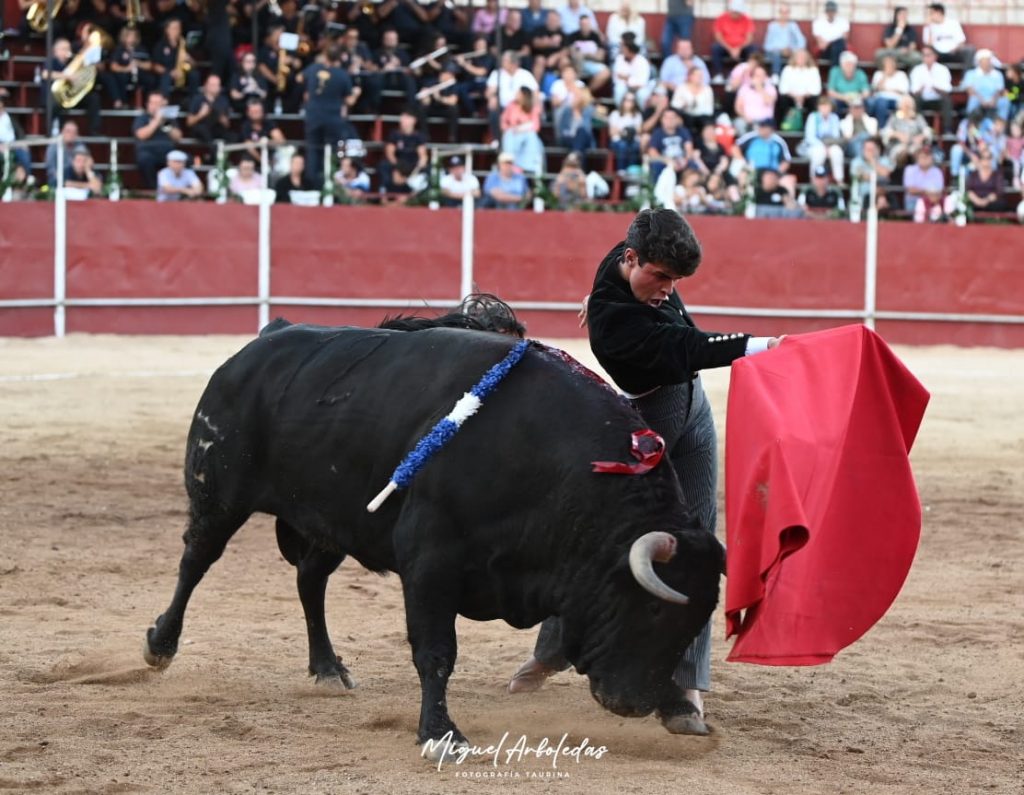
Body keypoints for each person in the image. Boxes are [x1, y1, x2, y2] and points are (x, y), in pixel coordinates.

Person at [506, 209, 783, 738]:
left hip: (692, 413)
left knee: (696, 544)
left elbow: (659, 299)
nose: (667, 290)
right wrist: (767, 346)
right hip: (645, 426)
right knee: (602, 539)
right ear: (632, 261)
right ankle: (553, 651)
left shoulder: (627, 257)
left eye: (675, 281)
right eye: (660, 278)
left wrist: (602, 293)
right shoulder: (618, 330)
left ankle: (686, 687)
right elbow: (690, 347)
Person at [300, 44, 359, 185]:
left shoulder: (313, 69)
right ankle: (334, 181)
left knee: (313, 150)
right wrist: (356, 93)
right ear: (339, 58)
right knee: (337, 149)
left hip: (313, 117)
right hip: (334, 119)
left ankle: (313, 183)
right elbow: (349, 100)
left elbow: (299, 78)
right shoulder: (342, 75)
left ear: (325, 56)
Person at [133, 91, 184, 189]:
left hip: (167, 151)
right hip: (147, 151)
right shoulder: (142, 118)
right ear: (148, 105)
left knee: (184, 159)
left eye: (158, 103)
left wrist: (166, 124)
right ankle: (153, 190)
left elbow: (178, 137)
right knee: (145, 160)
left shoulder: (169, 119)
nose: (156, 106)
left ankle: (179, 190)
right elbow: (141, 135)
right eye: (153, 103)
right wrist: (156, 121)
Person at [799, 95, 845, 184]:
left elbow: (836, 136)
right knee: (819, 153)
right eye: (823, 106)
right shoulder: (813, 117)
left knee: (837, 152)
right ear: (818, 107)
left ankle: (839, 179)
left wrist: (828, 146)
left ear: (831, 107)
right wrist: (823, 146)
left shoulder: (834, 118)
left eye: (827, 106)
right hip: (814, 145)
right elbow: (810, 137)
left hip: (830, 145)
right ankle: (814, 179)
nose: (825, 108)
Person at [501, 86, 545, 175]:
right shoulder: (511, 105)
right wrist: (510, 129)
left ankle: (531, 167)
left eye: (519, 93)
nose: (516, 95)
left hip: (527, 135)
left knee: (532, 137)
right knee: (508, 136)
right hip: (513, 135)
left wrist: (521, 129)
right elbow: (503, 122)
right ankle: (511, 164)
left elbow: (536, 126)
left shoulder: (533, 108)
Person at [909, 45, 953, 134]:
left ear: (935, 56)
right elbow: (914, 91)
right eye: (924, 55)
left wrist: (935, 88)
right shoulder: (917, 70)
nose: (926, 58)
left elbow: (947, 90)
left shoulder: (943, 69)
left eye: (929, 55)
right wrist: (921, 88)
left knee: (947, 100)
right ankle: (917, 130)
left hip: (937, 100)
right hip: (922, 100)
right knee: (914, 100)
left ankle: (947, 130)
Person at [710, 0, 757, 83]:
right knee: (715, 48)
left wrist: (739, 48)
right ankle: (718, 74)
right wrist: (730, 49)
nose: (735, 15)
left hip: (741, 48)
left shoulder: (747, 19)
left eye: (738, 13)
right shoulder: (721, 18)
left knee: (753, 49)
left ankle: (749, 75)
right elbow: (718, 37)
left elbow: (749, 38)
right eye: (734, 12)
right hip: (726, 47)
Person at [186, 74, 233, 157]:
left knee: (232, 136)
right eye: (212, 85)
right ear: (206, 85)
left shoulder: (223, 100)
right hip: (201, 128)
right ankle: (215, 154)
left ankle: (226, 157)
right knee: (202, 129)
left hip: (216, 127)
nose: (214, 87)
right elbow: (189, 122)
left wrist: (221, 117)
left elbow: (227, 125)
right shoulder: (197, 99)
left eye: (217, 85)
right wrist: (201, 114)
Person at [881, 93, 932, 167]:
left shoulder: (918, 118)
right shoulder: (894, 118)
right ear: (900, 106)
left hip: (915, 146)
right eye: (905, 104)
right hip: (897, 146)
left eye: (909, 104)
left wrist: (921, 137)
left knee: (918, 152)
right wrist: (897, 134)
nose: (907, 107)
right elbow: (886, 132)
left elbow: (927, 131)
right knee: (903, 153)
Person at [776, 48, 821, 129]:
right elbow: (783, 88)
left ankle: (810, 127)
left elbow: (816, 89)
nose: (801, 59)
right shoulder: (788, 69)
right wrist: (795, 96)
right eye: (799, 57)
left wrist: (803, 96)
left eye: (803, 57)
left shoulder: (813, 70)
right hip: (791, 97)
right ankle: (781, 126)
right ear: (794, 58)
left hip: (807, 98)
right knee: (781, 99)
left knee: (815, 101)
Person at [963, 50, 1011, 121]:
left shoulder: (998, 74)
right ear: (979, 62)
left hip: (994, 99)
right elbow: (970, 90)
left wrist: (993, 100)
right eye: (985, 60)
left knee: (1005, 101)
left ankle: (1000, 125)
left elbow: (999, 90)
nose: (988, 62)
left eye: (989, 60)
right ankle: (971, 123)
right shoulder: (971, 74)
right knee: (973, 100)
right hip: (978, 98)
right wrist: (982, 100)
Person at [763, 3, 806, 78]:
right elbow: (767, 46)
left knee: (799, 55)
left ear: (789, 13)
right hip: (775, 53)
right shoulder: (772, 26)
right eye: (782, 12)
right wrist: (780, 50)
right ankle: (775, 76)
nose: (784, 15)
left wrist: (793, 50)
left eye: (786, 12)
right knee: (776, 54)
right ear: (779, 13)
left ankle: (795, 79)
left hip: (790, 53)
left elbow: (802, 42)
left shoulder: (793, 26)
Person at [866, 54, 909, 128]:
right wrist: (885, 76)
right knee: (880, 103)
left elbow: (904, 91)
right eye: (887, 64)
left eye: (891, 63)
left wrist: (887, 89)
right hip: (881, 99)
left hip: (896, 100)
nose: (889, 66)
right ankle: (881, 128)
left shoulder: (901, 75)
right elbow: (875, 89)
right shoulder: (878, 74)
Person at [902, 145, 944, 219]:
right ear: (917, 158)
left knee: (938, 207)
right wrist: (927, 192)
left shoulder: (937, 171)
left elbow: (939, 191)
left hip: (932, 201)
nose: (925, 159)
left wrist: (926, 194)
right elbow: (910, 190)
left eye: (927, 156)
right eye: (922, 157)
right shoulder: (910, 170)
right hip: (914, 200)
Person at [612, 32, 652, 107]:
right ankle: (620, 112)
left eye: (625, 49)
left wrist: (627, 79)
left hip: (639, 88)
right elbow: (617, 78)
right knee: (619, 89)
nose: (622, 50)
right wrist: (631, 80)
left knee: (643, 94)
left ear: (631, 50)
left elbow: (642, 82)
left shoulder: (642, 61)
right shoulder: (619, 59)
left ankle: (643, 115)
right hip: (624, 86)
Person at [827, 50, 870, 115]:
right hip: (840, 98)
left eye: (851, 64)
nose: (849, 66)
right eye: (846, 64)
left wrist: (857, 97)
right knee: (833, 103)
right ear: (841, 65)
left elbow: (866, 92)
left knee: (867, 103)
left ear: (855, 65)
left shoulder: (861, 74)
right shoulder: (835, 71)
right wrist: (844, 97)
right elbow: (830, 92)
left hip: (857, 99)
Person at [812, 0, 849, 67]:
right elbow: (821, 44)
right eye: (829, 11)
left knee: (838, 44)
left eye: (832, 11)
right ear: (825, 11)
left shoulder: (843, 21)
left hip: (839, 48)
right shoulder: (818, 22)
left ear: (836, 12)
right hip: (826, 50)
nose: (831, 13)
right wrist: (833, 40)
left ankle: (834, 69)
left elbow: (844, 37)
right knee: (837, 45)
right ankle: (835, 69)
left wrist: (829, 42)